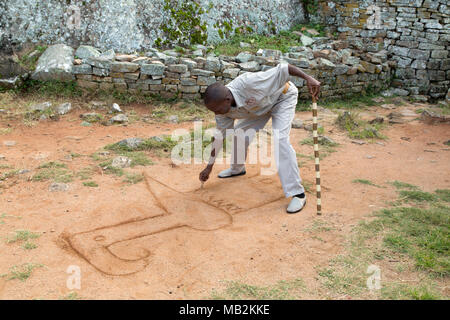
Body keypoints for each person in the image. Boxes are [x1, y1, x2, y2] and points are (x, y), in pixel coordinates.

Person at [199, 63, 320, 214]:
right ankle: (237, 169)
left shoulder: (249, 82)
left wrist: (308, 78)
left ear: (227, 99)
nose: (216, 113)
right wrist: (208, 167)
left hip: (282, 98)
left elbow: (284, 68)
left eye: (217, 109)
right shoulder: (221, 111)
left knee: (280, 139)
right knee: (239, 134)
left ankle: (297, 194)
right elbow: (219, 138)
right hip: (259, 109)